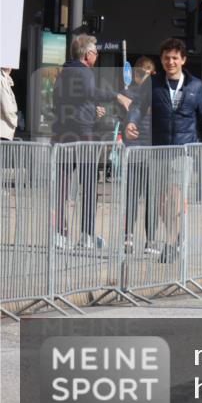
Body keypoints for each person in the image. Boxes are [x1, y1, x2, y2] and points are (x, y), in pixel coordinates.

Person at [125, 38, 202, 262]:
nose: (170, 62)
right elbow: (138, 106)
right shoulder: (152, 84)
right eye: (166, 58)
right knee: (163, 202)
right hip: (159, 150)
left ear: (183, 60)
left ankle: (171, 244)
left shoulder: (195, 86)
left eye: (175, 57)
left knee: (174, 197)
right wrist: (131, 122)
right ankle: (177, 237)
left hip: (183, 152)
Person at [52, 35, 132, 249]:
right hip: (82, 134)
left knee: (61, 184)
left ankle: (60, 233)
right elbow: (89, 92)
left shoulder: (64, 71)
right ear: (87, 55)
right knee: (88, 184)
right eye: (96, 53)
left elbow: (67, 100)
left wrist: (90, 110)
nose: (96, 56)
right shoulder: (84, 72)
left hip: (61, 133)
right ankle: (86, 234)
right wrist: (117, 96)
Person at [122, 57, 158, 255]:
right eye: (141, 73)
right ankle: (130, 238)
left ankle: (150, 239)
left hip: (150, 151)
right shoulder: (128, 94)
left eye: (147, 73)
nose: (143, 77)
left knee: (150, 198)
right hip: (136, 150)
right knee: (133, 197)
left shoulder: (156, 96)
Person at [0, 67, 17, 140]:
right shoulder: (2, 80)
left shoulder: (4, 80)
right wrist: (15, 121)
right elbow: (7, 108)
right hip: (3, 131)